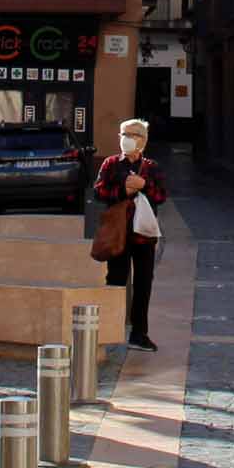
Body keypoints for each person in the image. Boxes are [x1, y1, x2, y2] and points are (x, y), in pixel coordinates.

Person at [93, 118, 166, 353]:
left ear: (142, 141)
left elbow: (161, 196)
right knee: (115, 280)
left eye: (132, 134)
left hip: (144, 236)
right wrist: (122, 191)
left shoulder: (152, 167)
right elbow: (99, 192)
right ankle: (106, 330)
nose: (126, 138)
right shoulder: (111, 164)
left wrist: (144, 185)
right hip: (119, 234)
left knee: (143, 284)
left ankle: (139, 334)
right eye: (123, 133)